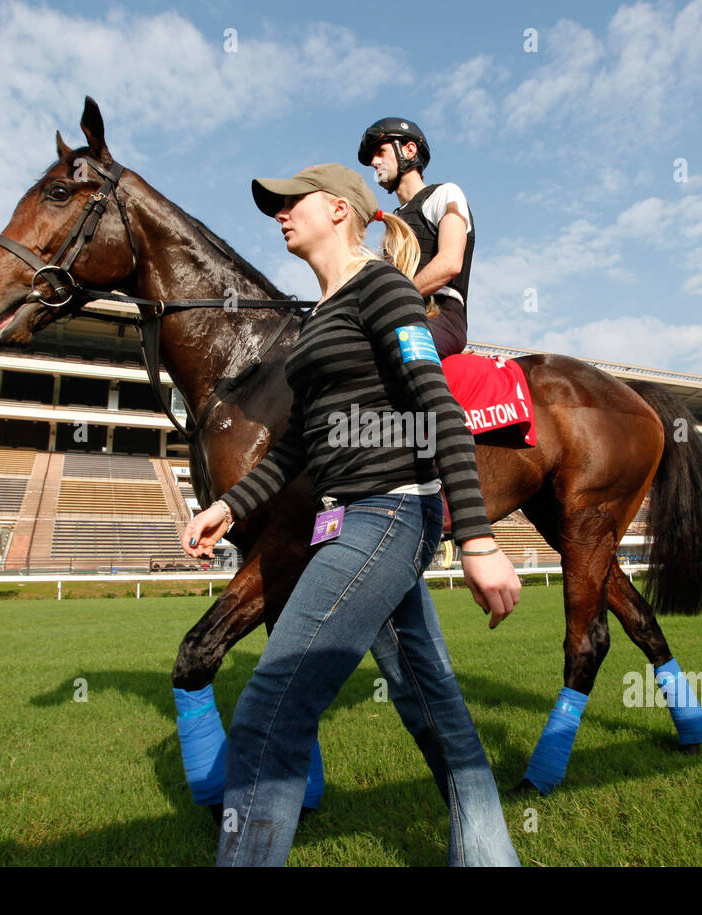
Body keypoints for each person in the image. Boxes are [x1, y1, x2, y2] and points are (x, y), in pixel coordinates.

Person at [182, 162, 521, 867]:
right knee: (430, 703)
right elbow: (298, 448)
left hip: (389, 516)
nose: (278, 214)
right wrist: (227, 503)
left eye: (289, 203)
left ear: (340, 210)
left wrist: (480, 540)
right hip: (344, 521)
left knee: (270, 707)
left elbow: (440, 413)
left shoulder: (384, 290)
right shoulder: (316, 322)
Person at [358, 117, 474, 359]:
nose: (373, 162)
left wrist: (395, 300)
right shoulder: (394, 222)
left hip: (441, 315)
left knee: (384, 357)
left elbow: (450, 262)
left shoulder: (445, 194)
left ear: (409, 150)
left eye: (380, 152)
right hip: (400, 316)